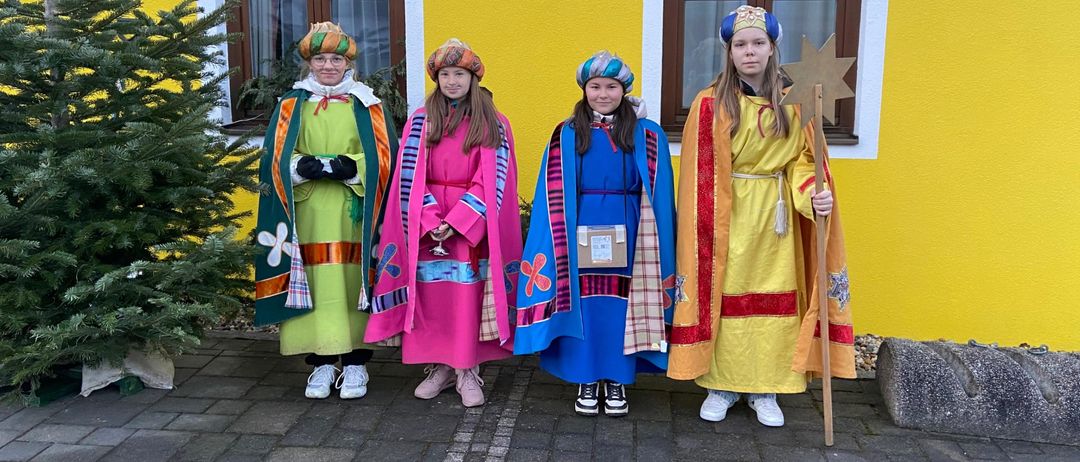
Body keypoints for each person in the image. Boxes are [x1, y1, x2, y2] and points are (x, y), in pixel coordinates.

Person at [666, 5, 856, 427]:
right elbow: (700, 171)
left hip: (777, 219)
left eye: (758, 44)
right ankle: (723, 384)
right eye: (740, 45)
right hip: (727, 218)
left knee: (775, 298)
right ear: (728, 52)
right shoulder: (711, 104)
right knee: (727, 295)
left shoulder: (796, 102)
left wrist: (814, 197)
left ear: (772, 49)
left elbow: (803, 163)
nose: (749, 52)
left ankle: (766, 387)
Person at [514, 51, 676, 417]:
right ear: (585, 90)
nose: (603, 94)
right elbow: (550, 188)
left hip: (632, 226)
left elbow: (661, 191)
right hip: (579, 225)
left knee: (622, 303)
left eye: (611, 86)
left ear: (624, 90)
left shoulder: (648, 133)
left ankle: (617, 377)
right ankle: (587, 375)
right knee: (586, 303)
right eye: (595, 86)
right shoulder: (567, 132)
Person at [364, 39, 522, 408]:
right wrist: (432, 218)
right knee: (433, 298)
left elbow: (497, 178)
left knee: (466, 297)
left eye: (460, 74)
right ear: (437, 78)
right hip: (427, 222)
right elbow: (410, 175)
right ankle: (440, 367)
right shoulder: (421, 121)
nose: (452, 81)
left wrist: (458, 220)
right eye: (446, 74)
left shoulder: (494, 123)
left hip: (471, 224)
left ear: (473, 78)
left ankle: (467, 369)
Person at [253, 22, 398, 400]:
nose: (329, 66)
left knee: (351, 284)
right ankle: (320, 364)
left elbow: (387, 158)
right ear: (309, 63)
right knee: (315, 285)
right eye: (321, 59)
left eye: (336, 58)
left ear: (348, 62)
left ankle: (354, 363)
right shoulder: (292, 103)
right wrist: (299, 167)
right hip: (308, 212)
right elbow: (273, 157)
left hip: (354, 212)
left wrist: (353, 167)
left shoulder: (368, 104)